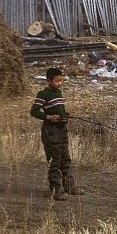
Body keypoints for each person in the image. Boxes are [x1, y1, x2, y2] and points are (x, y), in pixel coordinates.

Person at [30, 67, 83, 200]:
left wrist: (65, 115)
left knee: (65, 158)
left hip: (61, 129)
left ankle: (69, 186)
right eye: (57, 81)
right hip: (50, 131)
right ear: (48, 80)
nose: (60, 83)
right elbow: (34, 111)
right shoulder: (43, 94)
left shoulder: (58, 92)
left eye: (61, 80)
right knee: (55, 160)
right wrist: (49, 117)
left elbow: (58, 109)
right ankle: (56, 190)